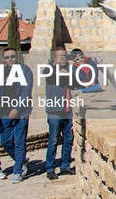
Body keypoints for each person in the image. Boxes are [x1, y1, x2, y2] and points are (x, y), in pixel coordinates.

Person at [0, 47, 33, 184]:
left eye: (12, 56)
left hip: (21, 113)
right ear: (3, 59)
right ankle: (21, 160)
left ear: (17, 57)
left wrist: (17, 109)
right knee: (5, 141)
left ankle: (18, 172)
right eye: (7, 57)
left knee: (19, 142)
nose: (10, 59)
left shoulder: (25, 70)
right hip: (5, 112)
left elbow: (26, 91)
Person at [45, 48, 75, 180]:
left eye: (64, 55)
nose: (63, 58)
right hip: (55, 110)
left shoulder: (70, 68)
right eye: (60, 56)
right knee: (53, 140)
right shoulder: (49, 68)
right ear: (54, 58)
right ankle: (50, 168)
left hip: (67, 109)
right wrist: (56, 68)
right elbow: (47, 74)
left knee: (68, 139)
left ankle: (65, 166)